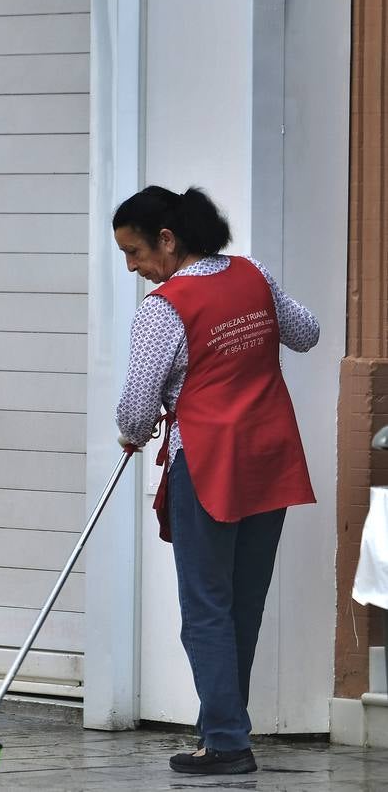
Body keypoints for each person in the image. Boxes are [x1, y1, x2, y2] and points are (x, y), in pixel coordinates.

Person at [113, 185, 319, 777]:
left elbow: (134, 406)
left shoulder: (165, 308)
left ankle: (227, 741)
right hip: (270, 456)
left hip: (207, 461)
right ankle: (220, 730)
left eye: (135, 253)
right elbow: (305, 332)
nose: (133, 268)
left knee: (206, 607)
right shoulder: (254, 275)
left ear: (168, 240)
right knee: (241, 606)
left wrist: (133, 430)